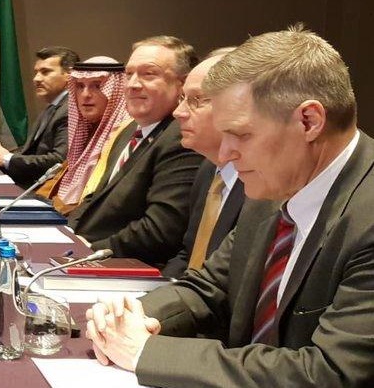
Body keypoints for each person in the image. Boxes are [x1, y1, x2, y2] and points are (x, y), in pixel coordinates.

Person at [86, 26, 374, 387]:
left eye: (240, 135)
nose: (225, 154)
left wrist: (146, 352)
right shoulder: (276, 185)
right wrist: (130, 316)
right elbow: (210, 288)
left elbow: (331, 372)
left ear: (309, 121)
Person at [67, 36, 203, 265]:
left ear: (182, 85)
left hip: (126, 265)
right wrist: (67, 234)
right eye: (129, 74)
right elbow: (96, 198)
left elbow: (160, 230)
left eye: (148, 74)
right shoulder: (129, 130)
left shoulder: (181, 138)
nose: (132, 84)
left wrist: (90, 250)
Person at [162, 49, 247, 280]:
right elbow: (188, 255)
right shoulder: (208, 169)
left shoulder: (261, 181)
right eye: (182, 99)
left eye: (195, 100)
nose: (178, 112)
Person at [0, 46, 78, 187]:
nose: (36, 79)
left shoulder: (70, 109)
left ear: (69, 75)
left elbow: (59, 161)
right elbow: (32, 150)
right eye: (36, 72)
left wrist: (6, 158)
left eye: (45, 72)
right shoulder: (55, 106)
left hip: (47, 191)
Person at [45, 57, 131, 213]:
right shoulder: (88, 128)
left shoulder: (124, 134)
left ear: (116, 91)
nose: (85, 95)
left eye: (97, 86)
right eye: (80, 86)